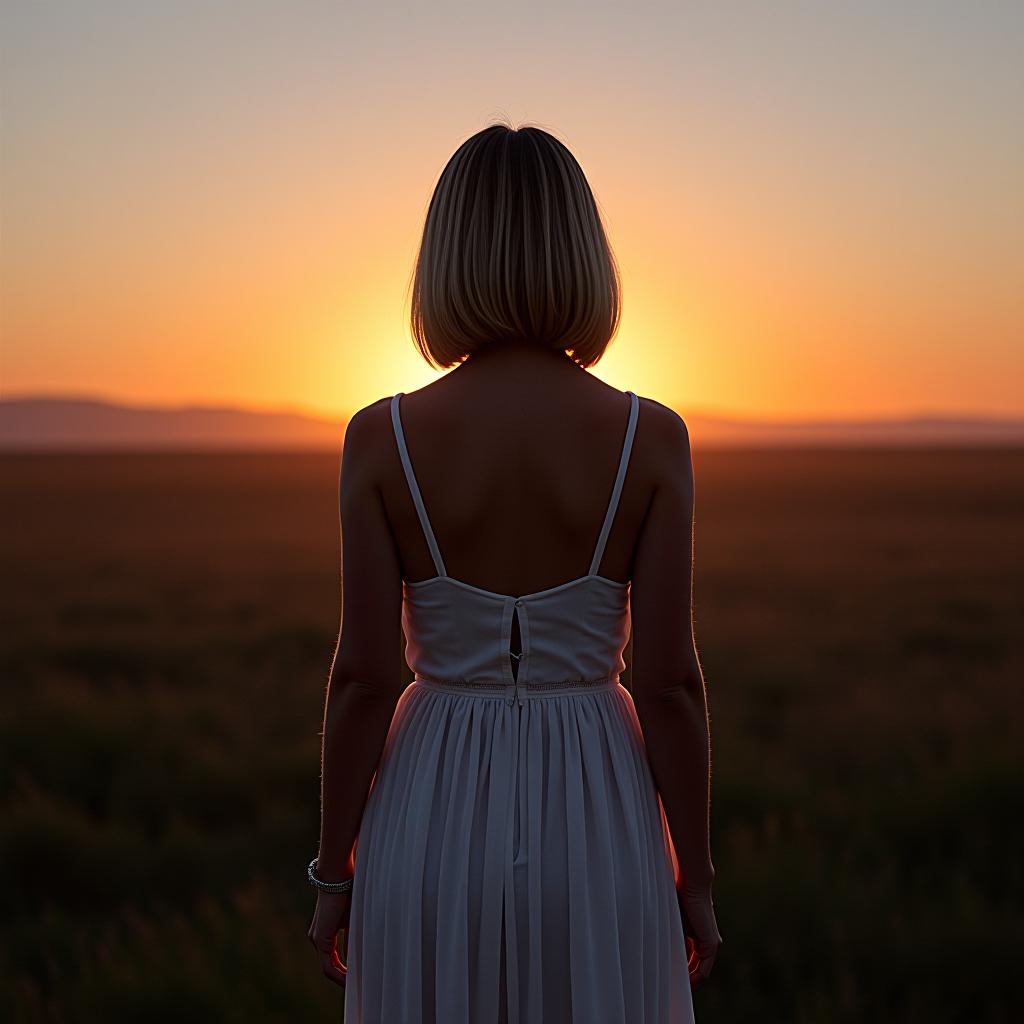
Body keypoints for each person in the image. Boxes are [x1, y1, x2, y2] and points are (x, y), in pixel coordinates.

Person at [308, 121, 721, 1023]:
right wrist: (692, 874)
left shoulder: (381, 440)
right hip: (601, 820)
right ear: (582, 254)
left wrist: (334, 869)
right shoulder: (651, 439)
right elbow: (670, 684)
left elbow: (365, 678)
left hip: (427, 821)